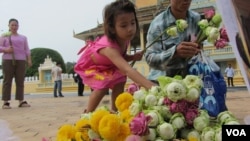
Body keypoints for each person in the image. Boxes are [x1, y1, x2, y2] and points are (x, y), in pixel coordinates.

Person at [74, 0, 155, 113]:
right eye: (123, 25)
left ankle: (115, 110)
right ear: (112, 28)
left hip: (109, 66)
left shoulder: (124, 39)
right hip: (94, 66)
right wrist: (151, 86)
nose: (130, 29)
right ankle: (88, 113)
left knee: (120, 79)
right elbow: (127, 69)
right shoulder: (109, 48)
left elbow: (121, 57)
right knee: (103, 86)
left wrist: (132, 57)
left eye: (132, 23)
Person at [145, 0, 201, 83]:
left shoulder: (195, 18)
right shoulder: (158, 24)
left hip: (190, 80)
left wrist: (197, 48)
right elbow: (150, 58)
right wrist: (174, 52)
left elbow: (199, 45)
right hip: (163, 82)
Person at [0, 18, 32, 109]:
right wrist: (6, 49)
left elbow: (27, 49)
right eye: (12, 25)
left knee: (20, 81)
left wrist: (29, 59)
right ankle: (6, 102)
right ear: (9, 26)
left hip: (21, 61)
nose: (14, 27)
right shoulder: (4, 36)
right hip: (8, 60)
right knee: (7, 81)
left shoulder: (23, 38)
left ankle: (21, 101)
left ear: (18, 26)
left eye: (16, 25)